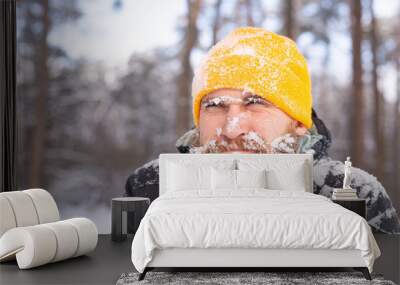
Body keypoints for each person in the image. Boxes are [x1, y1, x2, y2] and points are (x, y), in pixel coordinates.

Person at [125, 27, 400, 234]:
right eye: (215, 105)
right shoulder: (150, 186)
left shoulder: (353, 192)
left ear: (299, 122)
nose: (232, 129)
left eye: (255, 102)